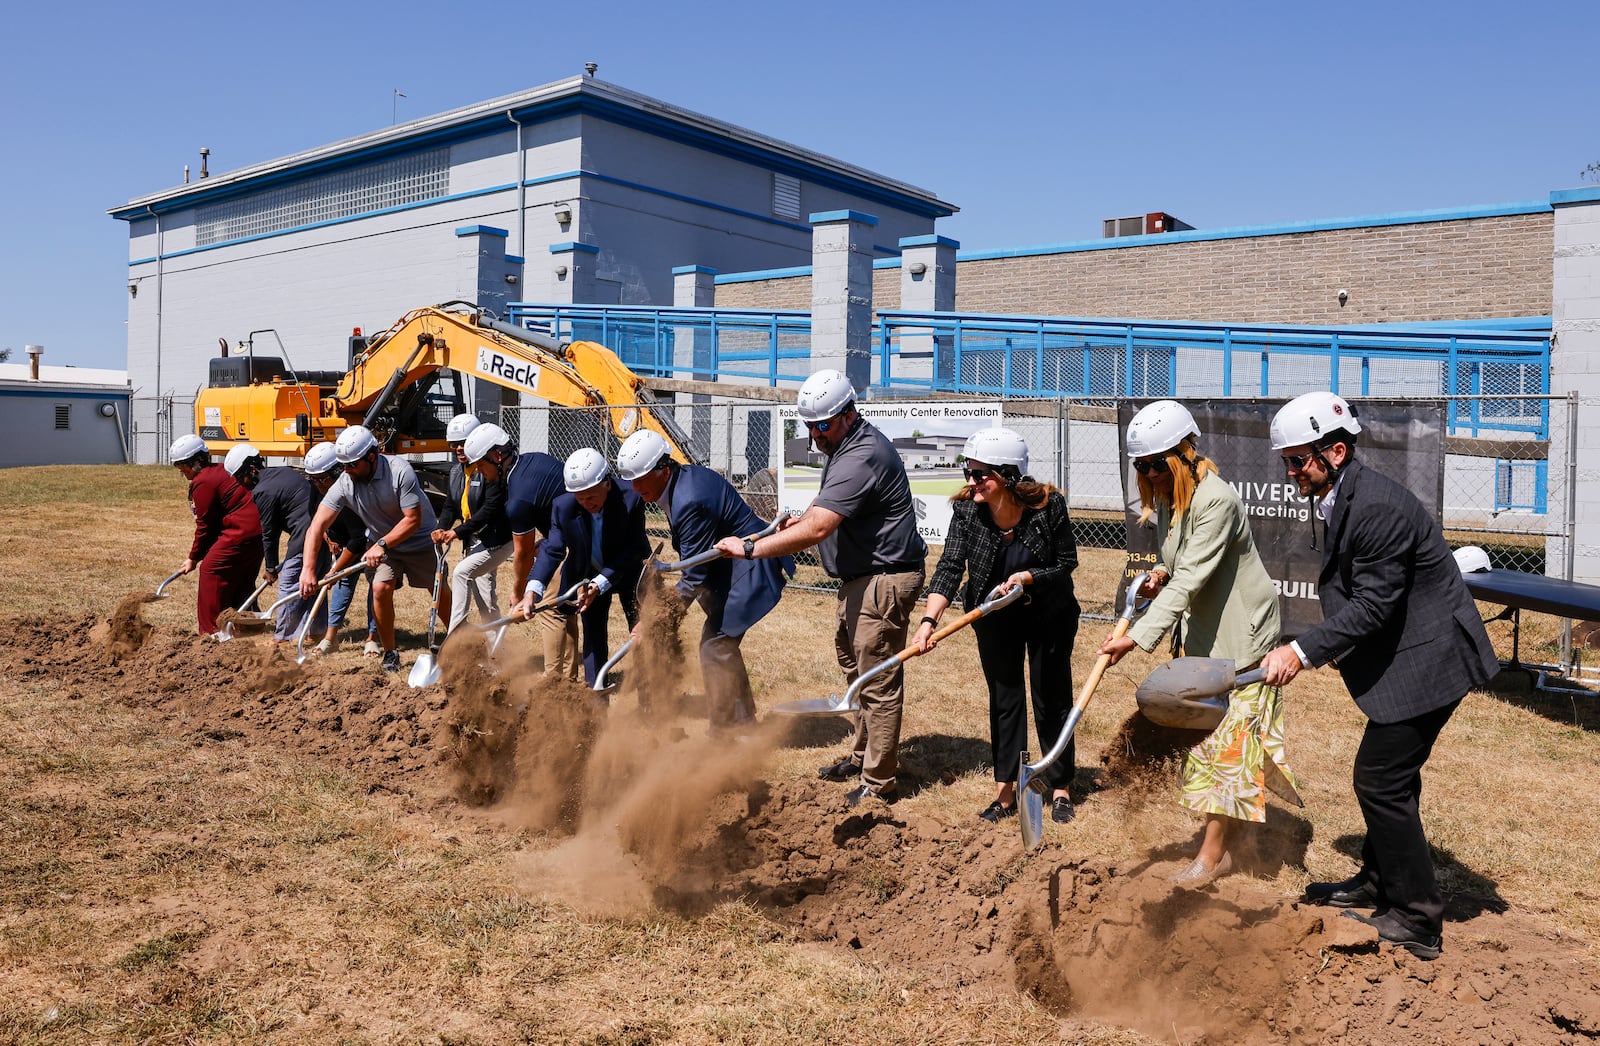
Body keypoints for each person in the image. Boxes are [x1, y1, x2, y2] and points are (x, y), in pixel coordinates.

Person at [1259, 391, 1497, 961]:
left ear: (1336, 451)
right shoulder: (1346, 493)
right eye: (1286, 461)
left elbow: (1375, 606)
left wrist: (1301, 651)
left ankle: (1416, 916)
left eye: (1298, 461)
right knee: (1390, 778)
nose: (1291, 472)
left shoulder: (1378, 507)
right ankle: (1377, 882)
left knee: (1381, 779)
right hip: (1417, 649)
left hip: (1435, 657)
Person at [1099, 400, 1301, 886]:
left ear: (1184, 453)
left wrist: (1137, 637)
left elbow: (1191, 580)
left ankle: (1213, 857)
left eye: (1156, 464)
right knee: (1210, 744)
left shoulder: (1217, 500)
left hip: (1243, 637)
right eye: (1140, 467)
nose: (1149, 474)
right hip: (1206, 635)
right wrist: (1159, 574)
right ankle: (1229, 839)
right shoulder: (1173, 497)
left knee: (1230, 747)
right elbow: (1181, 563)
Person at [715, 369, 927, 807]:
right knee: (856, 673)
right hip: (861, 579)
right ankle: (862, 755)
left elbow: (818, 530)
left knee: (877, 678)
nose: (815, 435)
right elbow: (822, 507)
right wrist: (801, 515)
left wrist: (752, 548)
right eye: (808, 426)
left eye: (823, 425)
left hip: (884, 579)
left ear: (848, 414)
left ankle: (878, 781)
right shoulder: (844, 446)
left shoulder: (861, 455)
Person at [915, 428, 1081, 825]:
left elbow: (1065, 563)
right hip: (994, 616)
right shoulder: (967, 511)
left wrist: (1028, 578)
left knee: (1051, 695)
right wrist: (927, 621)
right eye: (967, 472)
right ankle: (1005, 793)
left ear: (1008, 475)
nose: (970, 482)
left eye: (980, 474)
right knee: (1005, 699)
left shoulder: (1048, 507)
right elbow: (951, 568)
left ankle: (1060, 788)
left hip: (1049, 612)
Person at [616, 429, 790, 735]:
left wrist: (655, 620)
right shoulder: (678, 483)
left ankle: (727, 731)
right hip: (729, 569)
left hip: (750, 569)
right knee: (720, 644)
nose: (635, 486)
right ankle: (744, 723)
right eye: (632, 479)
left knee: (715, 646)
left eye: (641, 478)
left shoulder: (689, 499)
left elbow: (694, 575)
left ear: (663, 469)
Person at [299, 425, 449, 674]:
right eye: (343, 465)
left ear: (371, 456)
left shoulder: (400, 471)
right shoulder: (346, 482)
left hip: (419, 540)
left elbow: (412, 519)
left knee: (438, 591)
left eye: (352, 465)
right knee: (380, 588)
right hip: (383, 546)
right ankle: (390, 652)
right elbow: (316, 526)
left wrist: (381, 544)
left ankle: (461, 638)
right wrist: (308, 569)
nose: (346, 471)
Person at [526, 447, 650, 688]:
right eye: (579, 498)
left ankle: (648, 701)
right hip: (588, 574)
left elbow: (633, 548)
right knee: (593, 635)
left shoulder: (631, 498)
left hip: (629, 572)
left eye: (591, 496)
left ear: (607, 484)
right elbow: (553, 548)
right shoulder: (563, 506)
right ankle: (596, 695)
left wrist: (602, 582)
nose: (586, 503)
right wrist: (533, 589)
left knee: (641, 635)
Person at [496, 437, 582, 680]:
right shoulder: (531, 460)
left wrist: (519, 592)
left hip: (570, 543)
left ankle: (553, 682)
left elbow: (522, 554)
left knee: (550, 608)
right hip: (571, 536)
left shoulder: (518, 499)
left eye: (480, 465)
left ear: (497, 457)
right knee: (565, 607)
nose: (480, 472)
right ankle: (568, 679)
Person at [224, 444, 327, 643]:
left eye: (239, 477)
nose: (240, 483)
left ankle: (283, 637)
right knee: (312, 584)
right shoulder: (282, 472)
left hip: (305, 534)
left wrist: (271, 567)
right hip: (321, 531)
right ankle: (315, 632)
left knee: (289, 585)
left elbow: (270, 533)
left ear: (251, 470)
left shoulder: (262, 490)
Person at [169, 434, 263, 636]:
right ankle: (249, 624)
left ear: (195, 462)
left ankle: (211, 631)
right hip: (260, 531)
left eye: (182, 466)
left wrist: (194, 558)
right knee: (242, 579)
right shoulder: (221, 471)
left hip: (241, 530)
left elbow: (205, 525)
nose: (182, 471)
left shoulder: (203, 481)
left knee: (211, 571)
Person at [435, 418, 513, 634]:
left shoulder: (488, 470)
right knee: (476, 590)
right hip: (472, 539)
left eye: (463, 442)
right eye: (454, 444)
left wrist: (457, 532)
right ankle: (464, 638)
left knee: (486, 598)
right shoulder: (456, 472)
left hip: (491, 539)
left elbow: (489, 511)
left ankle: (497, 651)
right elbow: (451, 505)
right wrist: (442, 527)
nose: (459, 448)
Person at [302, 442, 379, 656]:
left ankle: (372, 638)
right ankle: (330, 638)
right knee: (342, 587)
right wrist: (329, 539)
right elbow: (316, 521)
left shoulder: (350, 492)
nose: (317, 484)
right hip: (344, 542)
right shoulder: (317, 489)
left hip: (369, 542)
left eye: (322, 479)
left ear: (337, 472)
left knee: (376, 585)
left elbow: (357, 540)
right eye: (313, 479)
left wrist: (334, 571)